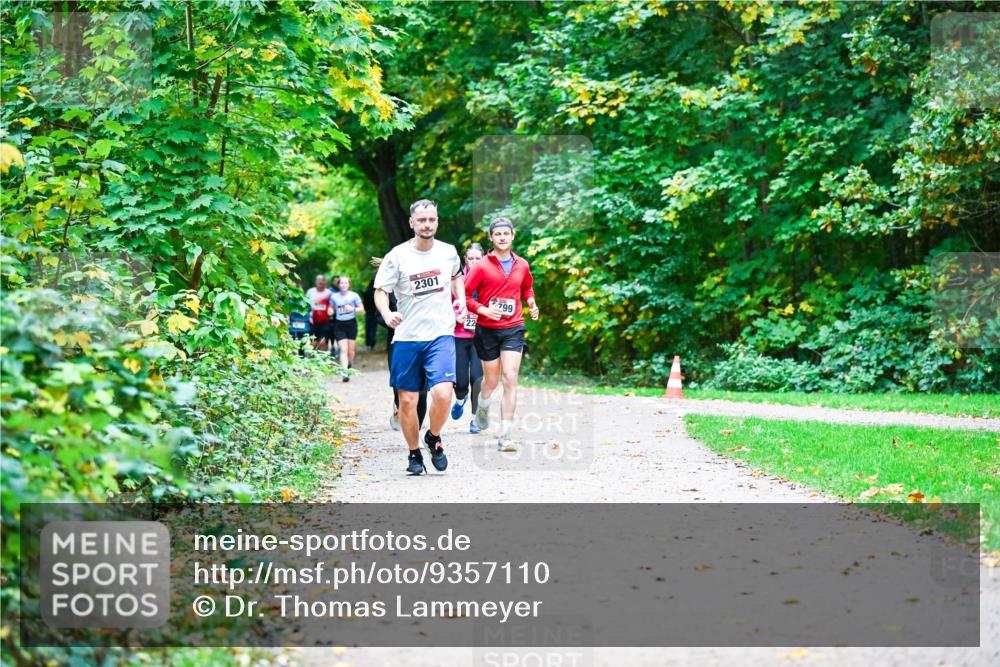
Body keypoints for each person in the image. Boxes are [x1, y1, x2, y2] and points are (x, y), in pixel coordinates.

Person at [374, 199, 465, 475]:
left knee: (443, 393)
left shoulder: (448, 252)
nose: (427, 225)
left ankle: (433, 438)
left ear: (437, 221)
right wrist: (387, 312)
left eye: (432, 220)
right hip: (407, 337)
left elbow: (457, 276)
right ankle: (414, 454)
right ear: (412, 223)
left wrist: (460, 298)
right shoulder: (397, 256)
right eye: (422, 220)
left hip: (440, 334)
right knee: (409, 401)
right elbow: (380, 290)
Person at [464, 218, 539, 452]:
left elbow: (527, 287)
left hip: (513, 328)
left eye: (506, 233)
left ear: (513, 236)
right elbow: (465, 295)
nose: (503, 237)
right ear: (491, 238)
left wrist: (531, 302)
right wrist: (482, 309)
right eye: (498, 234)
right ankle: (483, 405)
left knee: (510, 377)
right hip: (487, 329)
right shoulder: (481, 266)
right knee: (492, 380)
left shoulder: (522, 265)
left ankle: (505, 435)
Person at [451, 243, 485, 433]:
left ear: (483, 260)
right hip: (458, 335)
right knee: (461, 381)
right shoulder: (456, 279)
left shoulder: (487, 279)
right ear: (465, 260)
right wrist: (455, 316)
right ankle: (460, 397)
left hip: (480, 336)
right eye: (470, 259)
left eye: (477, 259)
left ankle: (474, 419)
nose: (473, 262)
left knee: (477, 378)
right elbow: (445, 304)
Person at [331, 275, 364, 382]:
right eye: (341, 283)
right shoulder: (334, 297)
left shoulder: (354, 296)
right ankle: (344, 373)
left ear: (349, 284)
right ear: (338, 285)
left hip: (351, 324)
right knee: (343, 350)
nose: (344, 285)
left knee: (351, 351)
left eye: (346, 283)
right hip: (339, 325)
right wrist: (330, 312)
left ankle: (349, 364)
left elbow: (362, 309)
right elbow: (331, 308)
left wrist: (353, 308)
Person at [305, 274, 334, 353]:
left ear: (325, 282)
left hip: (325, 321)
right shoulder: (310, 292)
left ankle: (323, 358)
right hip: (312, 320)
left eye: (322, 280)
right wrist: (308, 315)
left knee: (323, 342)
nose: (320, 282)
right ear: (315, 282)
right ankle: (314, 358)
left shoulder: (329, 293)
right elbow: (305, 305)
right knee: (313, 342)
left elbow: (332, 305)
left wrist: (331, 311)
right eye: (318, 280)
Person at [362, 279, 378, 351]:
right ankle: (372, 344)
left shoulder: (366, 293)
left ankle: (368, 344)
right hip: (374, 313)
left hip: (368, 313)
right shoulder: (376, 293)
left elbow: (364, 304)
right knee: (373, 329)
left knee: (368, 329)